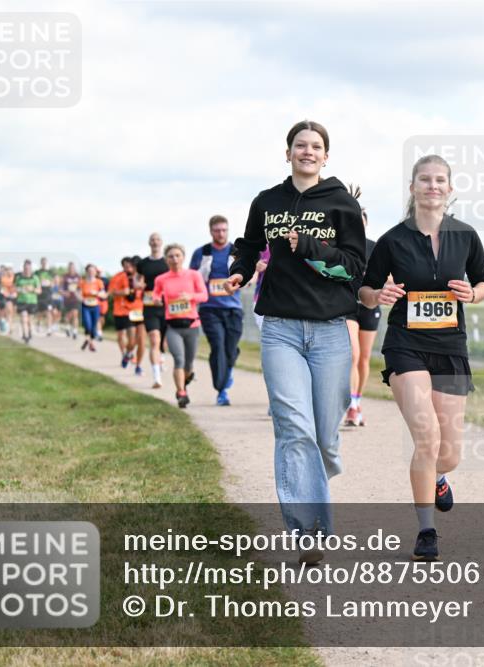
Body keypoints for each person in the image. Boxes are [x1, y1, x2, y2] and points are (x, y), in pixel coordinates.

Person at [225, 119, 366, 563]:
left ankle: (315, 476)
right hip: (280, 329)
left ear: (326, 156)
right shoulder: (267, 201)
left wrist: (308, 246)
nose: (308, 151)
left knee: (322, 437)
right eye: (300, 145)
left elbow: (353, 267)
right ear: (287, 153)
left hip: (330, 330)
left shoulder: (341, 203)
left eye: (316, 146)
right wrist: (241, 271)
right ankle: (309, 532)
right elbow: (249, 245)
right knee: (293, 428)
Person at [360, 154, 484, 562]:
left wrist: (473, 294)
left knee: (449, 454)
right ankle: (426, 530)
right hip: (406, 345)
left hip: (450, 347)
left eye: (439, 180)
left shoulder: (465, 236)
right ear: (413, 187)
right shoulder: (392, 240)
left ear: (449, 188)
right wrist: (378, 295)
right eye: (425, 180)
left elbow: (483, 281)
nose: (432, 186)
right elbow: (365, 291)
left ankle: (437, 478)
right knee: (427, 437)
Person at [191, 215, 243, 406]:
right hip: (210, 309)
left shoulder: (236, 251)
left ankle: (227, 370)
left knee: (230, 349)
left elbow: (248, 274)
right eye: (217, 230)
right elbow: (192, 278)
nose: (221, 233)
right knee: (218, 346)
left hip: (233, 308)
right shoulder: (201, 253)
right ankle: (221, 390)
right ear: (211, 231)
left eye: (224, 230)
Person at [154, 244, 209, 408]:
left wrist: (190, 296)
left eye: (178, 255)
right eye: (171, 256)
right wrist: (156, 300)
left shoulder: (193, 275)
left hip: (192, 325)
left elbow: (204, 296)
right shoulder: (161, 279)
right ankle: (181, 393)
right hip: (173, 327)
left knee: (189, 364)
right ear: (166, 259)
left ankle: (185, 380)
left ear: (183, 257)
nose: (174, 259)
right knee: (179, 359)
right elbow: (156, 294)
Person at [344, 196, 382, 427]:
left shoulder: (374, 247)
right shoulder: (341, 247)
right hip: (347, 306)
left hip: (370, 306)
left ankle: (357, 402)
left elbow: (388, 275)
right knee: (353, 355)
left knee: (364, 358)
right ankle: (350, 406)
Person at [138, 233, 170, 389]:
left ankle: (162, 354)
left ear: (161, 242)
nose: (155, 242)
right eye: (152, 239)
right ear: (149, 243)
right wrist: (138, 285)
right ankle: (157, 377)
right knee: (154, 339)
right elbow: (137, 279)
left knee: (164, 340)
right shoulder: (143, 263)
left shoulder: (167, 261)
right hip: (149, 305)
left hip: (166, 305)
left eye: (157, 239)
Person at [108, 256, 144, 371]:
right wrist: (122, 292)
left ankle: (135, 361)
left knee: (139, 339)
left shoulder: (142, 277)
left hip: (139, 311)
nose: (129, 268)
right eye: (126, 266)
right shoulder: (119, 277)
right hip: (123, 311)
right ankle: (126, 354)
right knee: (125, 337)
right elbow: (111, 292)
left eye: (131, 266)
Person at [14, 260, 41, 343]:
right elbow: (15, 288)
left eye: (28, 268)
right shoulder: (19, 278)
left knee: (29, 320)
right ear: (23, 268)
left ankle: (29, 332)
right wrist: (20, 289)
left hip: (32, 301)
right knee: (23, 318)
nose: (27, 270)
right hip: (21, 301)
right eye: (25, 268)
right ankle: (25, 335)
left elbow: (39, 291)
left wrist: (32, 289)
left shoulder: (35, 278)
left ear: (31, 268)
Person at [79, 264, 105, 352]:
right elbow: (77, 293)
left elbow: (103, 294)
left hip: (95, 306)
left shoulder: (99, 282)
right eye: (89, 271)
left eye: (93, 271)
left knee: (93, 327)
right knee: (88, 324)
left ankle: (88, 340)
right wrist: (81, 298)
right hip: (85, 306)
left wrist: (96, 293)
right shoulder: (82, 282)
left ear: (95, 272)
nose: (91, 272)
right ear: (86, 272)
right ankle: (91, 344)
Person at [34, 257, 56, 335]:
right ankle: (38, 324)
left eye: (45, 263)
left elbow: (54, 283)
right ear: (41, 263)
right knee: (40, 312)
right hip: (40, 294)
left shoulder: (50, 272)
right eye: (42, 263)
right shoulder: (37, 272)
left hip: (48, 294)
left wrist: (50, 283)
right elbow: (35, 282)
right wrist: (39, 283)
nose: (44, 264)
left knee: (48, 311)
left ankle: (49, 328)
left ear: (47, 263)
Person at [61, 261, 81, 338]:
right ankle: (67, 327)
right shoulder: (65, 277)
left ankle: (75, 331)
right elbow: (60, 288)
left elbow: (81, 287)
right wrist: (64, 293)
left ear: (74, 268)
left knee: (75, 313)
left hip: (75, 298)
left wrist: (79, 294)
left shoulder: (78, 276)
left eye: (73, 267)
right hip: (67, 299)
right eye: (70, 268)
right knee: (68, 315)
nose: (71, 269)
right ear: (68, 268)